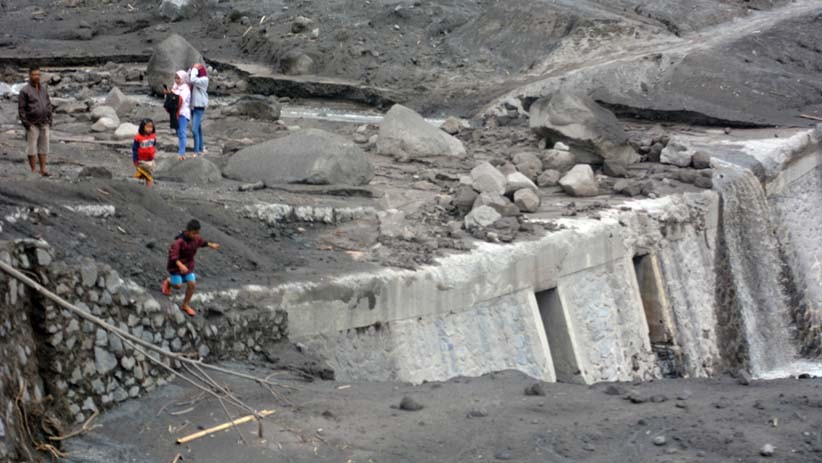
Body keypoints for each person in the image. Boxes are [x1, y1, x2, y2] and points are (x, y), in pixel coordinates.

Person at [161, 219, 220, 316]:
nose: (196, 235)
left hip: (188, 266)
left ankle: (185, 305)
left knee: (192, 283)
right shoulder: (178, 242)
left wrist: (211, 245)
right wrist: (180, 265)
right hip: (176, 268)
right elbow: (173, 256)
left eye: (197, 233)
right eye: (194, 233)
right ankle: (168, 282)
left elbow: (202, 242)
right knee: (178, 285)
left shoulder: (196, 239)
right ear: (187, 231)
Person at [18, 66, 53, 177]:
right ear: (30, 76)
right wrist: (26, 124)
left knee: (44, 147)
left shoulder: (43, 89)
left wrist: (50, 119)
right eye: (34, 75)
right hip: (32, 123)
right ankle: (33, 170)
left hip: (44, 122)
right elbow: (21, 109)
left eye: (38, 74)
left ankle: (43, 169)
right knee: (32, 148)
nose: (36, 76)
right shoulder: (25, 91)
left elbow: (48, 104)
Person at [163, 70, 191, 160]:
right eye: (175, 78)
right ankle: (181, 152)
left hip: (182, 113)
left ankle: (181, 153)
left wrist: (170, 94)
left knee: (182, 133)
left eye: (178, 78)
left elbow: (180, 100)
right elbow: (170, 98)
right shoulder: (175, 87)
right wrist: (167, 94)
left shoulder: (185, 89)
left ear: (183, 78)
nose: (176, 80)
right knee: (178, 132)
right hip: (174, 112)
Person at [188, 63, 209, 157]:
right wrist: (191, 69)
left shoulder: (204, 79)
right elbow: (187, 78)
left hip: (199, 106)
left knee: (194, 130)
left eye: (196, 69)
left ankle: (196, 151)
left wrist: (194, 69)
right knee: (198, 129)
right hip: (193, 106)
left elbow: (192, 80)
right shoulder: (196, 78)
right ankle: (201, 148)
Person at [132, 119, 157, 187]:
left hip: (150, 160)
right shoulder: (138, 138)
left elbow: (153, 145)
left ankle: (134, 182)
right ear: (143, 127)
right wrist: (135, 160)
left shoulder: (153, 136)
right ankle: (148, 188)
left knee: (144, 174)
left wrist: (153, 153)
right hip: (141, 160)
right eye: (148, 127)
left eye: (151, 127)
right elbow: (135, 149)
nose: (150, 129)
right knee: (148, 175)